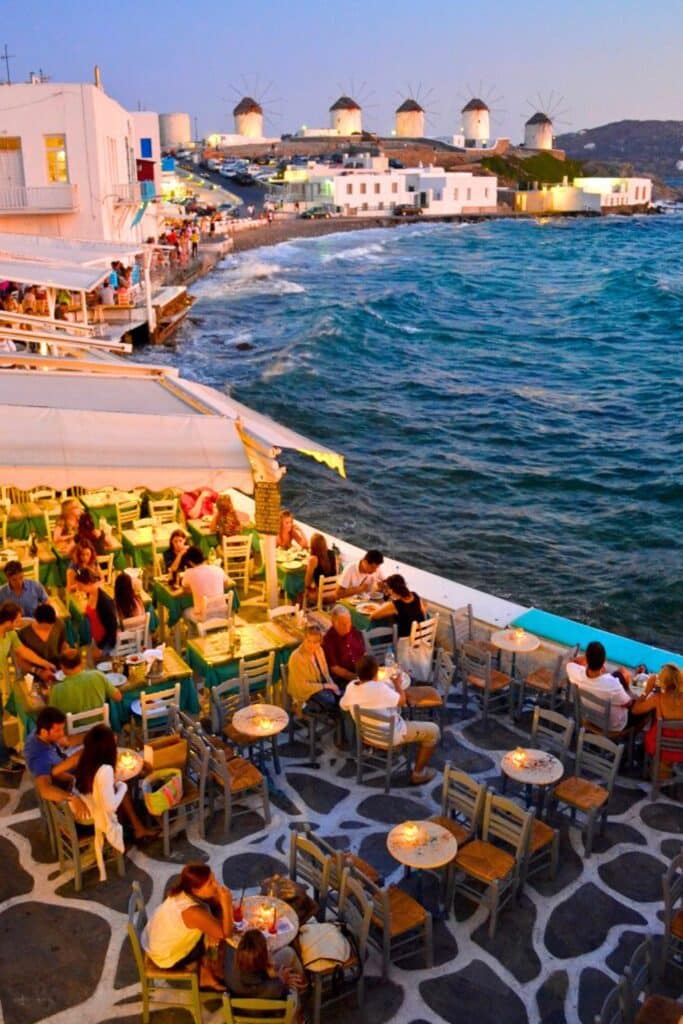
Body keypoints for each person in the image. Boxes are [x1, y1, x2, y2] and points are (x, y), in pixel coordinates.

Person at [71, 723, 157, 875]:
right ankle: (123, 839)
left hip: (84, 799)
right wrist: (122, 787)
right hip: (92, 815)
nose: (116, 739)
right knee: (123, 792)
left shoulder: (86, 758)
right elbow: (110, 806)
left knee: (121, 791)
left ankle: (138, 828)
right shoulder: (105, 770)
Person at [340, 654, 439, 785]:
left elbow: (343, 705)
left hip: (366, 734)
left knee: (395, 711)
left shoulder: (351, 687)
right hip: (391, 735)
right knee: (434, 731)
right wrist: (397, 684)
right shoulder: (379, 689)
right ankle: (418, 774)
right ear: (375, 673)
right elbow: (402, 700)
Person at [143, 863, 233, 990]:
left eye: (214, 879)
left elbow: (211, 904)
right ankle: (209, 972)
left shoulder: (182, 890)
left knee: (212, 928)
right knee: (217, 940)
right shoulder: (192, 911)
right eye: (210, 884)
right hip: (165, 957)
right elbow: (226, 933)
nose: (216, 885)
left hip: (153, 941)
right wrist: (227, 904)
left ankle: (205, 973)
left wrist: (212, 929)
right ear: (195, 890)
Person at [1, 601, 57, 773]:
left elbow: (23, 652)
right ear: (8, 621)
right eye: (18, 620)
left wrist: (45, 664)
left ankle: (2, 750)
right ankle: (3, 761)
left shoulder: (10, 634)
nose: (20, 623)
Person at [567, 641, 635, 733]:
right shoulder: (613, 685)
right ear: (604, 661)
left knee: (620, 673)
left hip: (588, 716)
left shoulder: (574, 671)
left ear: (586, 659)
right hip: (612, 725)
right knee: (642, 714)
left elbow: (571, 662)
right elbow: (628, 704)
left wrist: (586, 659)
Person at [225, 928, 306, 1001]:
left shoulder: (229, 954)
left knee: (287, 953)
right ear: (265, 961)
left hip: (238, 1002)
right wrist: (282, 981)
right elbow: (278, 991)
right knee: (289, 953)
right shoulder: (273, 987)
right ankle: (303, 987)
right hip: (266, 1007)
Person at [24, 706, 82, 799]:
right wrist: (72, 798)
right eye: (57, 730)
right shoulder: (41, 758)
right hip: (69, 777)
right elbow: (45, 791)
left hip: (62, 761)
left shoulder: (38, 733)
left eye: (62, 729)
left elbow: (66, 741)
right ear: (44, 732)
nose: (62, 733)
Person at [633, 663, 683, 770]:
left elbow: (635, 710)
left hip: (660, 747)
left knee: (647, 725)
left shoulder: (657, 698)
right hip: (681, 747)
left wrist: (647, 689)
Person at [49, 647, 122, 716]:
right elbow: (118, 697)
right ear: (81, 663)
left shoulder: (56, 690)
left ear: (62, 667)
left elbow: (52, 716)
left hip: (74, 725)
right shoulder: (98, 675)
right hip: (100, 724)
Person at [287, 625, 340, 712]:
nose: (311, 645)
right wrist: (326, 686)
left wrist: (333, 686)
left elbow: (325, 673)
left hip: (318, 685)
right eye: (308, 641)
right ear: (304, 640)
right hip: (305, 694)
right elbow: (302, 686)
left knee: (340, 695)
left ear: (320, 642)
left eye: (315, 642)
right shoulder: (297, 657)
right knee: (331, 702)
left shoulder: (319, 650)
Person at [75, 568, 118, 659]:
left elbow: (112, 628)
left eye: (81, 586)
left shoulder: (105, 602)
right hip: (96, 639)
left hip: (105, 643)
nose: (78, 589)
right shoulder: (90, 594)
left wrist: (101, 648)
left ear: (89, 583)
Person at [18, 603, 67, 677]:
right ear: (37, 621)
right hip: (34, 673)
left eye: (51, 626)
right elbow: (20, 661)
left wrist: (66, 662)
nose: (49, 629)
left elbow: (63, 645)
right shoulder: (24, 634)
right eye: (45, 627)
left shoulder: (59, 624)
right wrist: (39, 672)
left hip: (58, 670)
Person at [322, 605, 365, 687]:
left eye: (349, 622)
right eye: (343, 624)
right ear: (334, 623)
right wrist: (355, 678)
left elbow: (363, 652)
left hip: (360, 673)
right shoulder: (328, 640)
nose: (347, 627)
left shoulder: (353, 630)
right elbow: (335, 668)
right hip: (343, 680)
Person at [182, 546, 229, 617]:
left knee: (185, 611)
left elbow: (185, 591)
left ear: (190, 562)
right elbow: (226, 585)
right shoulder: (218, 569)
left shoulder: (189, 573)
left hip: (203, 616)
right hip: (222, 613)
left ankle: (195, 625)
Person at [303, 533, 337, 606]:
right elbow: (335, 572)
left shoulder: (314, 559)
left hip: (320, 594)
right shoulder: (332, 553)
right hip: (333, 592)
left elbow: (307, 582)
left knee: (300, 590)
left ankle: (299, 609)